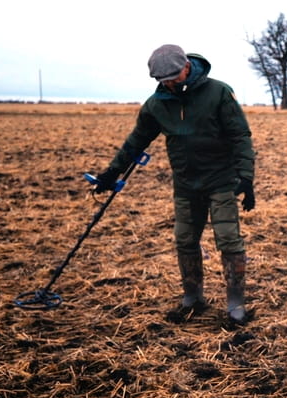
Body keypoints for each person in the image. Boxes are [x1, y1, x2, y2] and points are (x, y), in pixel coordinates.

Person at [91, 44, 256, 325]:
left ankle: (235, 304)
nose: (168, 83)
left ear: (186, 68)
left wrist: (246, 177)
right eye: (162, 79)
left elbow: (240, 135)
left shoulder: (218, 93)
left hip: (221, 180)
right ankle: (192, 298)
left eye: (173, 76)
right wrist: (111, 173)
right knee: (184, 240)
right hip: (186, 183)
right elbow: (136, 141)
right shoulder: (157, 104)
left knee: (228, 240)